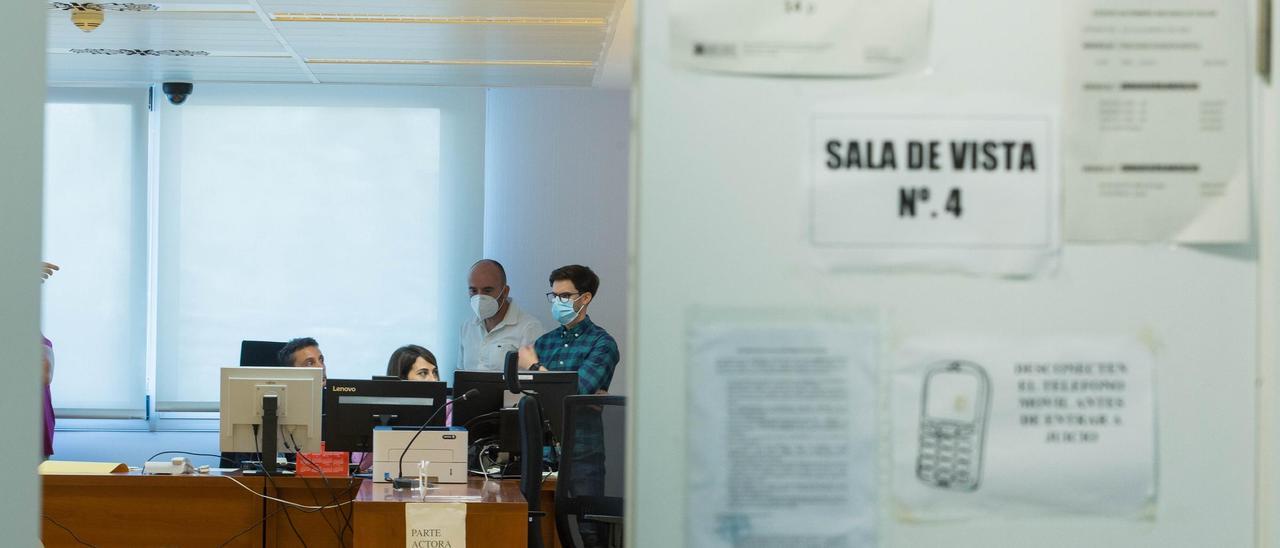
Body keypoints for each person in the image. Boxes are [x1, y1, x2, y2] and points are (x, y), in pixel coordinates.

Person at [517, 265, 618, 547]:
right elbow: (531, 399)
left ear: (584, 298)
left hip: (583, 453)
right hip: (544, 452)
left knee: (589, 532)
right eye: (554, 295)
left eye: (565, 295)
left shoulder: (602, 343)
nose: (558, 302)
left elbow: (576, 395)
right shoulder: (545, 342)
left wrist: (535, 367)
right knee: (537, 525)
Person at [459, 259, 543, 372]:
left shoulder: (529, 327)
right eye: (473, 291)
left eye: (487, 290)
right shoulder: (467, 326)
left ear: (505, 291)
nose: (479, 297)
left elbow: (535, 381)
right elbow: (461, 373)